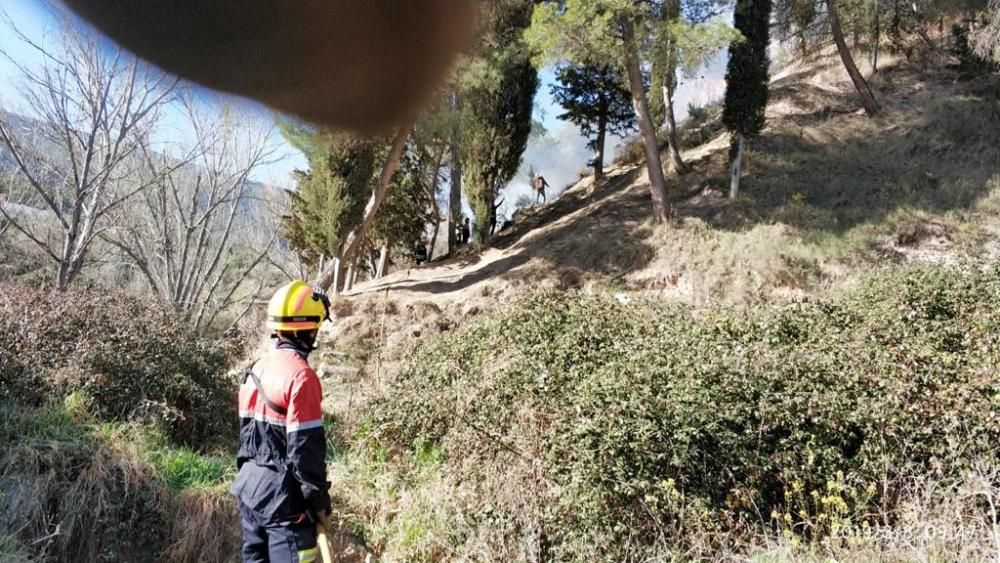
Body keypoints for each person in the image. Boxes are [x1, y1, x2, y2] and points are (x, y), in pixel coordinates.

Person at [231, 280, 332, 563]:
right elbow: (305, 452)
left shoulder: (256, 369)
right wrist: (319, 502)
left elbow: (247, 438)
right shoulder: (302, 377)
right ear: (309, 328)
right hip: (284, 505)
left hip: (249, 491)